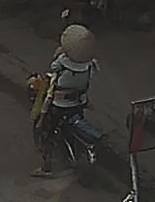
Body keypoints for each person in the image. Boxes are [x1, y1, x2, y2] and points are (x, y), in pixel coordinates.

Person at [32, 23, 104, 177]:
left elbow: (53, 69)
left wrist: (59, 54)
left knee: (48, 133)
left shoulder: (62, 63)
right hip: (78, 103)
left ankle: (46, 168)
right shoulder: (91, 66)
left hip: (59, 106)